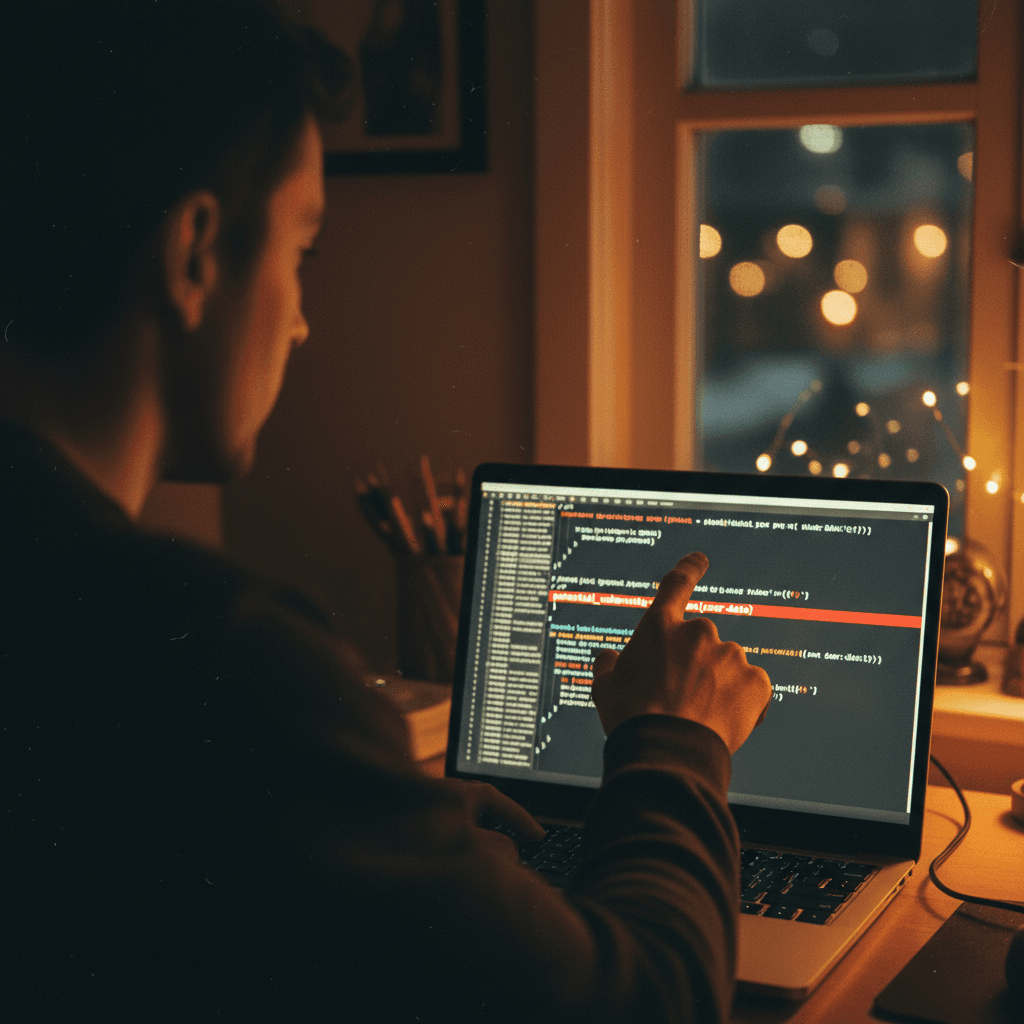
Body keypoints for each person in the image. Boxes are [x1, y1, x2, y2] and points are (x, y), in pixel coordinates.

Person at [0, 2, 772, 1021]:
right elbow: (653, 1001)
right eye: (304, 249)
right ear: (194, 252)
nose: (306, 318)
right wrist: (674, 738)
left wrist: (367, 811)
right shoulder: (211, 650)